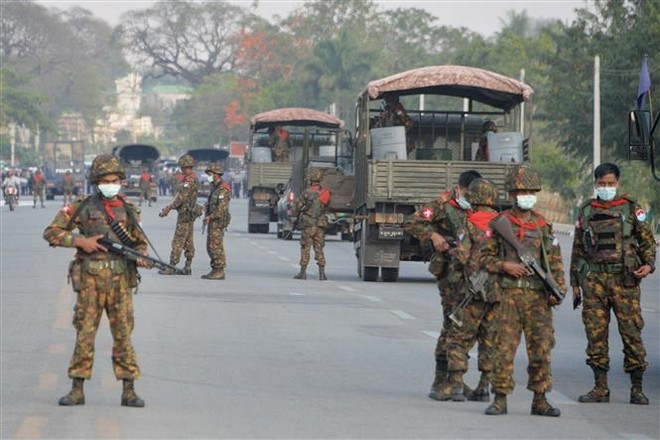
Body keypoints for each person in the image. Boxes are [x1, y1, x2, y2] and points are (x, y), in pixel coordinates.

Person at [43, 154, 147, 408]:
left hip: (120, 281)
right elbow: (51, 232)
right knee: (85, 334)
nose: (111, 184)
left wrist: (142, 256)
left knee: (123, 334)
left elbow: (139, 243)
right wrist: (81, 242)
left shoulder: (129, 209)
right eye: (106, 180)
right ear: (96, 182)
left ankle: (129, 390)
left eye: (115, 180)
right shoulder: (82, 206)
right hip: (90, 280)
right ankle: (77, 389)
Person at [480, 164, 565, 417]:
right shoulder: (499, 224)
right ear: (512, 194)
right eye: (521, 191)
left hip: (538, 298)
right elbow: (482, 259)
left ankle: (541, 399)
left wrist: (557, 288)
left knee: (541, 350)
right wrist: (504, 265)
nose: (526, 195)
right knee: (503, 349)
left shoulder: (543, 225)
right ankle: (499, 398)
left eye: (530, 190)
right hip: (508, 296)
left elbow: (554, 261)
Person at [570, 162, 655, 405]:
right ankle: (600, 388)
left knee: (631, 333)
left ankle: (637, 388)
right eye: (602, 184)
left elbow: (647, 240)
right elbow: (578, 249)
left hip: (624, 281)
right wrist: (575, 283)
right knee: (595, 334)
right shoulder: (586, 210)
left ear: (617, 183)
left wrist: (648, 264)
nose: (606, 188)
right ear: (595, 184)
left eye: (611, 184)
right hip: (594, 281)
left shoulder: (630, 208)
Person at [403, 169, 482, 401]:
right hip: (449, 272)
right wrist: (433, 236)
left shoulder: (478, 207)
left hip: (472, 273)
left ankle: (455, 378)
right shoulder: (442, 203)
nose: (471, 196)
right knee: (453, 322)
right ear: (459, 188)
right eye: (468, 192)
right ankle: (441, 381)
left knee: (468, 326)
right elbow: (412, 223)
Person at [442, 178, 500, 402]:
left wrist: (454, 259)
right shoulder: (504, 222)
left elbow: (463, 255)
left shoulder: (469, 223)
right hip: (497, 291)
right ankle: (484, 386)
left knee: (459, 337)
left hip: (471, 290)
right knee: (490, 338)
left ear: (473, 198)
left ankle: (456, 385)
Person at [159, 154, 201, 275]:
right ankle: (188, 266)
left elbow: (181, 198)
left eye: (182, 168)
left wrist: (169, 208)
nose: (182, 170)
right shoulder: (193, 179)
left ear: (185, 167)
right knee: (188, 240)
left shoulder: (188, 181)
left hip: (185, 214)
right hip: (190, 214)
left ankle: (171, 266)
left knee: (178, 240)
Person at [293, 168, 330, 281]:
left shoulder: (307, 193)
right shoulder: (325, 193)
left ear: (311, 180)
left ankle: (303, 273)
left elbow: (297, 207)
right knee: (319, 248)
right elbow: (326, 206)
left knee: (305, 248)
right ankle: (322, 274)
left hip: (308, 225)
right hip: (320, 225)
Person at [201, 164, 231, 280]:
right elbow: (212, 203)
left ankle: (219, 270)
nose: (208, 177)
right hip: (212, 220)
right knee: (210, 245)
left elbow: (222, 208)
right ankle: (215, 269)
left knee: (216, 246)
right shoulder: (215, 187)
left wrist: (211, 216)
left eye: (209, 174)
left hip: (217, 221)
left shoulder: (223, 189)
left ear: (216, 175)